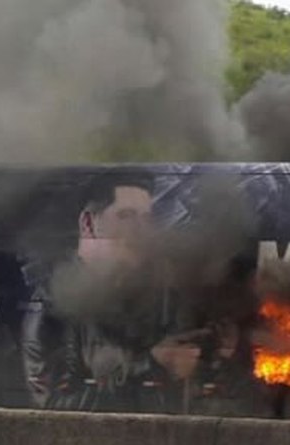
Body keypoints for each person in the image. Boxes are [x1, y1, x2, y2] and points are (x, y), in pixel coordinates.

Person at [21, 172, 203, 413]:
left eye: (146, 219)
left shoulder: (151, 297)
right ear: (88, 223)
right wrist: (152, 363)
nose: (141, 231)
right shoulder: (53, 306)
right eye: (126, 216)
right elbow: (54, 405)